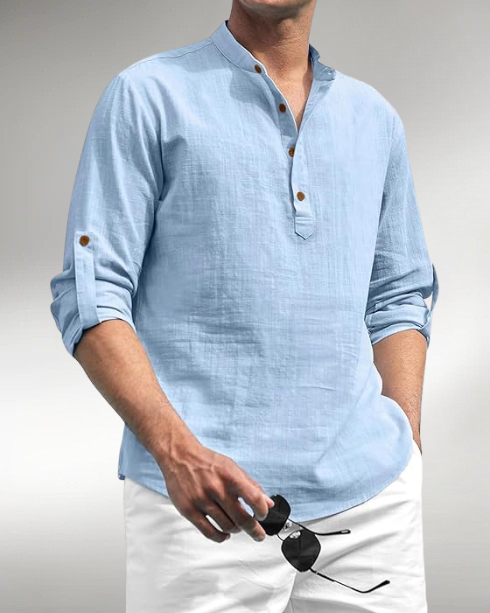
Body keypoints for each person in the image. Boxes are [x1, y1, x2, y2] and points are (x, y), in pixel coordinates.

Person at [49, 1, 439, 611]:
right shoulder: (148, 96)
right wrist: (177, 454)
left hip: (373, 509)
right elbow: (90, 293)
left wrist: (403, 441)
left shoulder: (375, 119)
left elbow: (399, 294)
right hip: (203, 508)